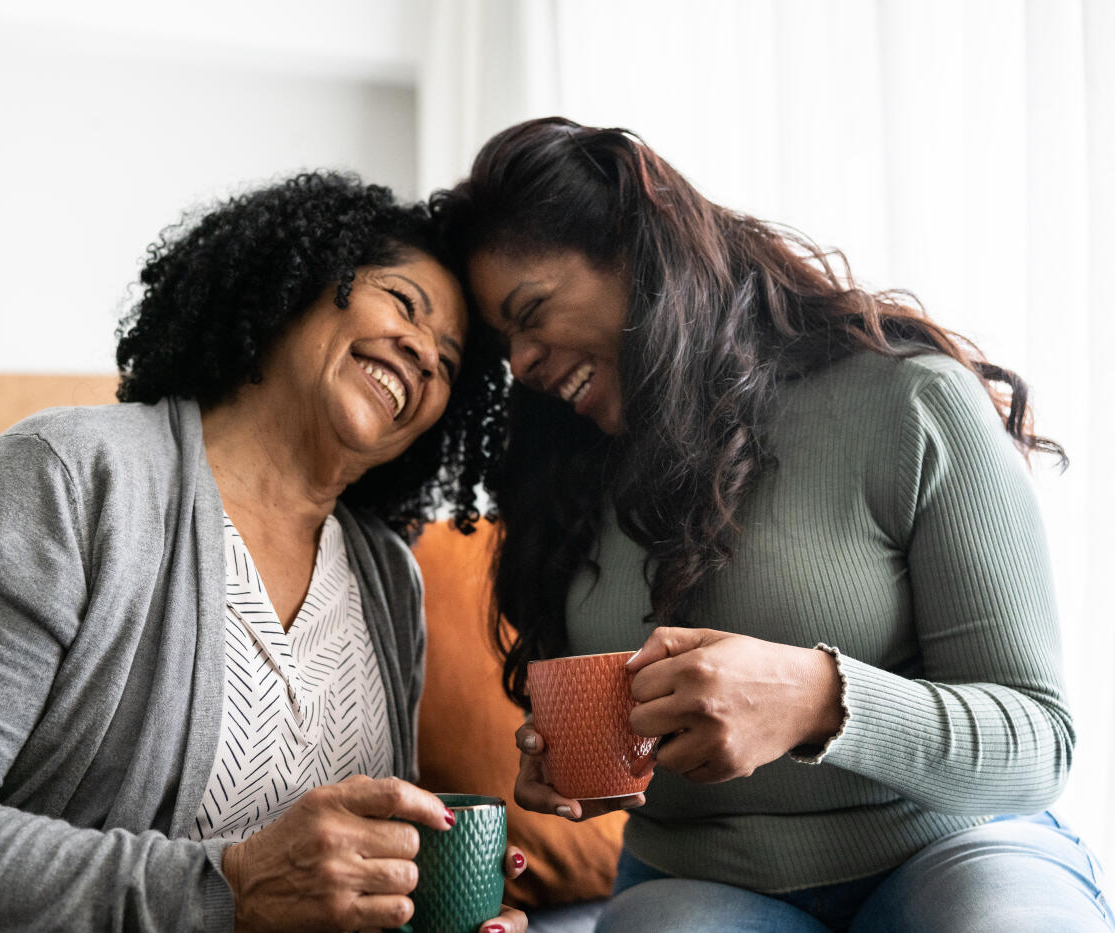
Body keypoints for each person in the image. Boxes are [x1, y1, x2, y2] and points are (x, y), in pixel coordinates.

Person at [0, 172, 528, 933]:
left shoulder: (386, 577)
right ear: (293, 284)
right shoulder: (65, 476)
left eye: (450, 363)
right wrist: (229, 886)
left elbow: (346, 872)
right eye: (404, 304)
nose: (425, 353)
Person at [431, 117, 1113, 931]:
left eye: (532, 310)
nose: (526, 364)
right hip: (699, 879)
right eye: (504, 346)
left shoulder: (908, 402)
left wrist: (821, 699)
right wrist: (568, 760)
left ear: (634, 244)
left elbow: (1038, 738)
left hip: (950, 850)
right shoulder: (563, 474)